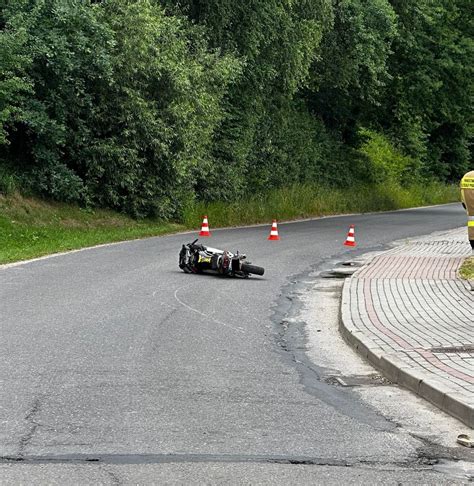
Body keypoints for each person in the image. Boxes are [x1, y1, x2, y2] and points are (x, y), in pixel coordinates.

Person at [461, 170, 474, 252]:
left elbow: (462, 192)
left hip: (470, 205)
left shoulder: (467, 176)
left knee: (472, 221)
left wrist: (465, 205)